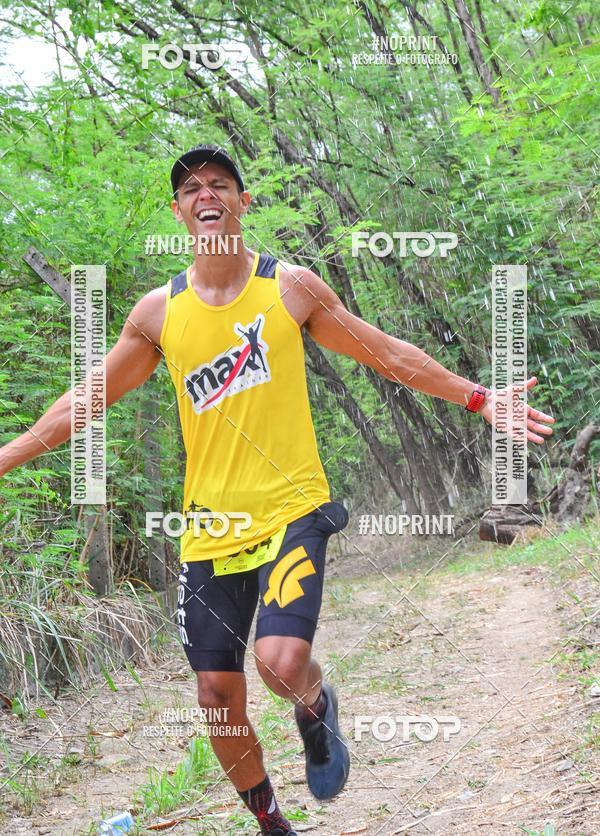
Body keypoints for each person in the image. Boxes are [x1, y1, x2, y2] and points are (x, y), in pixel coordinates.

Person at [0, 145, 555, 835]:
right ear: (178, 211)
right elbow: (85, 400)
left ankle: (316, 705)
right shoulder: (157, 314)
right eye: (192, 188)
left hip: (294, 508)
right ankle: (271, 822)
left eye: (220, 184)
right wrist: (5, 458)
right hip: (209, 530)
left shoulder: (289, 288)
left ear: (242, 202)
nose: (207, 194)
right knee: (216, 695)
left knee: (280, 662)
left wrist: (478, 399)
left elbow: (384, 351)